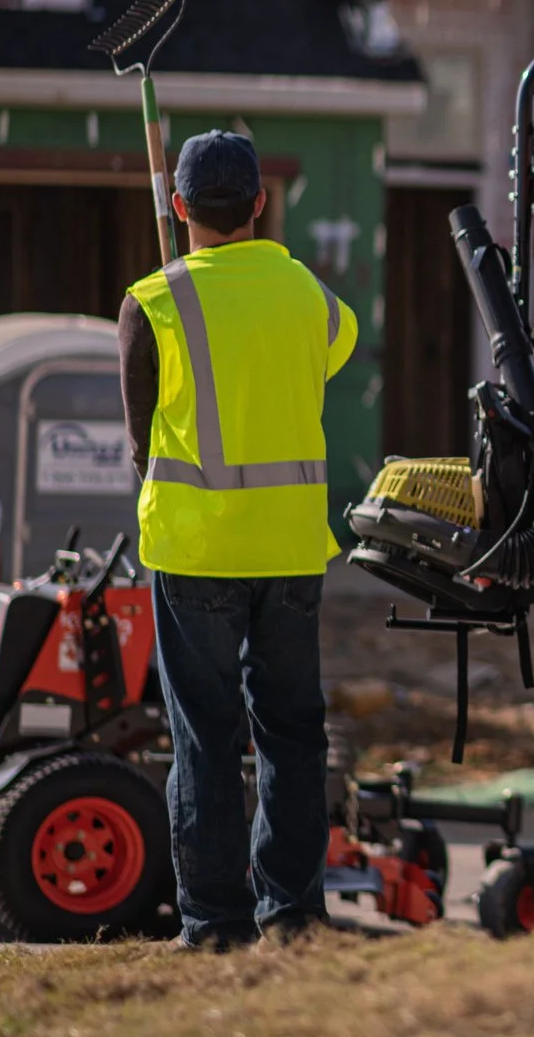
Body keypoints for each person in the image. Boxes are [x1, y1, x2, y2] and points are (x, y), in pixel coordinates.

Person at [118, 131, 356, 950]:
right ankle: (293, 917)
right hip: (291, 550)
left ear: (180, 208)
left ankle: (215, 924)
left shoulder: (152, 303)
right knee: (292, 734)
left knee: (205, 740)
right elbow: (328, 354)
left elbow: (142, 444)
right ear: (260, 204)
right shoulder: (312, 298)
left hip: (194, 554)